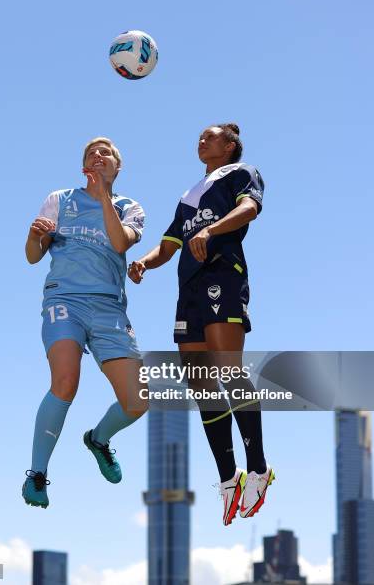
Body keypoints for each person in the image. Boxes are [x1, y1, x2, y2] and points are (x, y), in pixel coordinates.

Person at [128, 123, 274, 525]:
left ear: (229, 146)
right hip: (188, 289)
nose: (201, 141)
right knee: (200, 381)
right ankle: (229, 479)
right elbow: (170, 243)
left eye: (209, 136)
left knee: (228, 369)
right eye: (199, 137)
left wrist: (212, 229)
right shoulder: (187, 195)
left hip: (222, 276)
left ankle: (259, 469)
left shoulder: (242, 172)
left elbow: (250, 209)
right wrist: (145, 261)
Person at [22, 137, 147, 508]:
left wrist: (103, 196)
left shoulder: (130, 207)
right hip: (65, 300)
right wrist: (34, 237)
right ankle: (38, 475)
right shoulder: (59, 200)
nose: (97, 155)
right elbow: (32, 256)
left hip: (110, 309)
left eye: (105, 152)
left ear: (117, 166)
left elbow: (121, 244)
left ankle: (98, 439)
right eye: (91, 152)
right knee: (65, 380)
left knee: (138, 401)